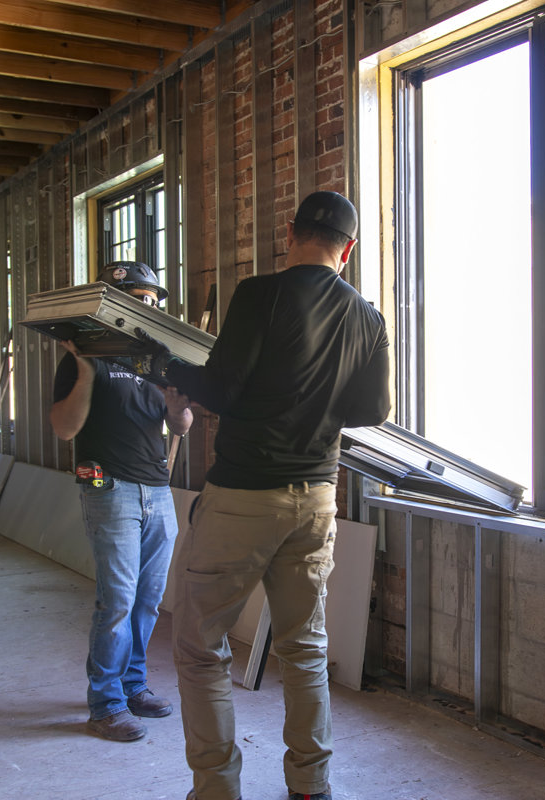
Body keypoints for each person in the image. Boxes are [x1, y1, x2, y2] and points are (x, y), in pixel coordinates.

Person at [134, 191, 390, 800]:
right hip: (316, 501)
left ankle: (218, 789)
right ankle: (311, 786)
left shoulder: (259, 295)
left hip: (243, 498)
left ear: (289, 232)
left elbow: (218, 390)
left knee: (199, 647)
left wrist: (165, 366)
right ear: (347, 251)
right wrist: (315, 408)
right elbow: (374, 409)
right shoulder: (369, 319)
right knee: (305, 648)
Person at [49, 261, 194, 742]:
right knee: (117, 600)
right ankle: (105, 705)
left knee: (149, 601)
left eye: (153, 300)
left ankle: (133, 687)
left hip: (157, 490)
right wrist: (88, 374)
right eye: (139, 297)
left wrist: (177, 408)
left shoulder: (156, 362)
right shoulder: (81, 357)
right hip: (108, 488)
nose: (147, 306)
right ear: (116, 302)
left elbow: (181, 425)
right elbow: (64, 429)